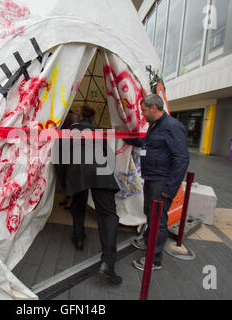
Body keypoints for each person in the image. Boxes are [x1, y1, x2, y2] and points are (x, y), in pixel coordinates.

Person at [123, 94, 189, 271]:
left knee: (158, 219)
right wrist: (125, 137)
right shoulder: (155, 126)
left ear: (154, 108)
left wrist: (170, 188)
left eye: (144, 110)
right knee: (150, 213)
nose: (142, 114)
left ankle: (154, 259)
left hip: (162, 182)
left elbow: (182, 159)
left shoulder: (172, 127)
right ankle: (148, 242)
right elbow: (147, 143)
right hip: (152, 178)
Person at [63, 105, 122, 284]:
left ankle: (79, 238)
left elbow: (63, 156)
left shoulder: (68, 130)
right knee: (108, 215)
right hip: (101, 170)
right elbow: (106, 153)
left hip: (77, 172)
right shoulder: (97, 130)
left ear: (77, 117)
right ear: (92, 117)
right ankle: (108, 263)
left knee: (78, 205)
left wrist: (67, 181)